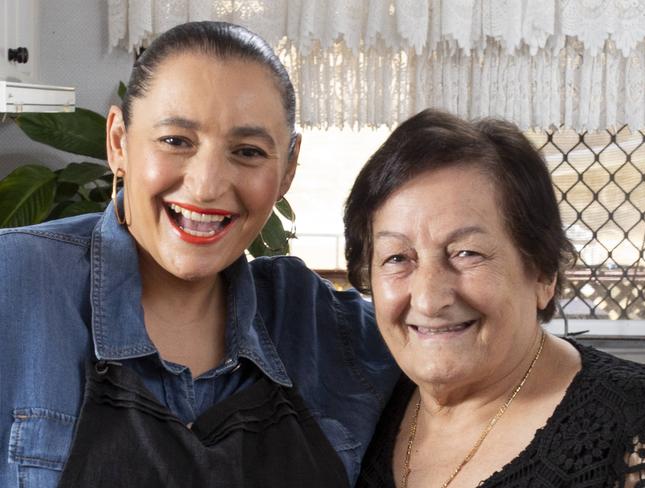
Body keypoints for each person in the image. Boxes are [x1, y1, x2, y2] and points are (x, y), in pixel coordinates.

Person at [0, 21, 398, 488]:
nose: (207, 186)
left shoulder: (329, 331)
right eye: (176, 141)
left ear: (288, 168)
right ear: (118, 143)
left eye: (248, 151)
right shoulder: (15, 285)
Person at [343, 109, 645, 488]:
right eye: (397, 258)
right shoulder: (358, 409)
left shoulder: (636, 427)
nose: (428, 298)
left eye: (466, 253)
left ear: (542, 271)